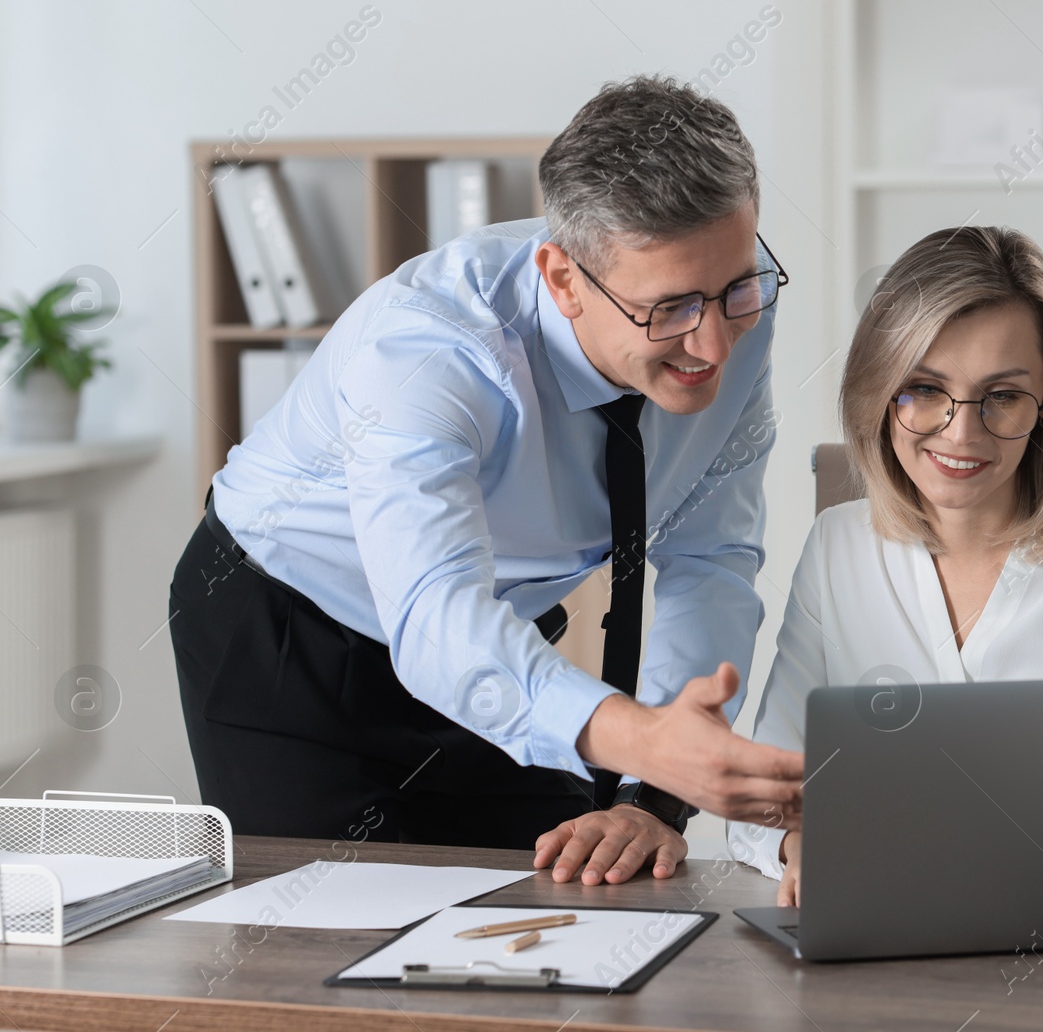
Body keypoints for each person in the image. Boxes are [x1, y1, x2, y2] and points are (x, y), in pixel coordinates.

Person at [170, 76, 803, 887]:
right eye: (671, 309)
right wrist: (638, 736)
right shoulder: (428, 348)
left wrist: (654, 792)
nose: (714, 344)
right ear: (563, 279)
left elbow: (711, 556)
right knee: (324, 941)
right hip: (286, 632)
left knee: (561, 903)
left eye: (736, 289)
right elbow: (436, 615)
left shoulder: (738, 305)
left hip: (492, 634)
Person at [729, 226, 1043, 906]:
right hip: (873, 944)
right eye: (923, 387)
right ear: (879, 391)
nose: (961, 432)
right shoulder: (839, 546)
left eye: (1002, 395)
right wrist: (802, 845)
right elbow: (762, 797)